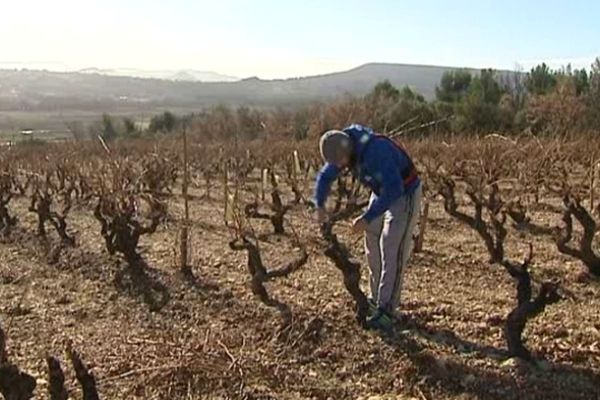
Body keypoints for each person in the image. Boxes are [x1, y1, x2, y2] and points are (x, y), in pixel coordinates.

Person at [314, 124, 422, 330]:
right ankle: (376, 298)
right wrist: (319, 205)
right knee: (372, 241)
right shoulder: (342, 147)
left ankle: (388, 310)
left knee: (391, 247)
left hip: (404, 192)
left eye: (341, 163)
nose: (340, 168)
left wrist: (367, 216)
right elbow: (325, 176)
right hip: (381, 191)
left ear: (348, 152)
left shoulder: (376, 151)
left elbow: (394, 189)